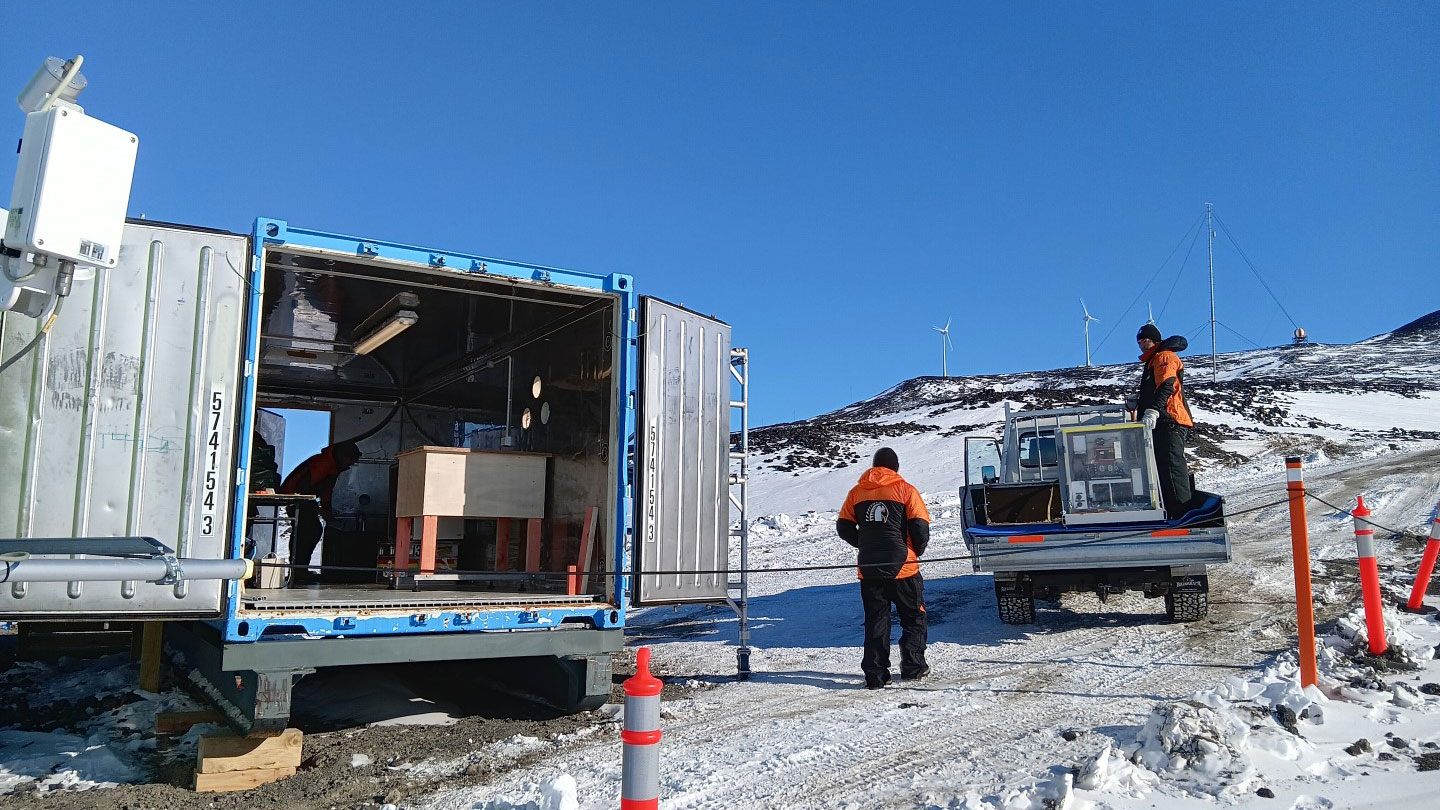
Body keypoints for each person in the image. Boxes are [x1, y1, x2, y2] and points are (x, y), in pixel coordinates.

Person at [836, 447, 932, 689]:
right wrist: (916, 551)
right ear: (895, 467)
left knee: (876, 621)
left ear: (874, 466)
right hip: (904, 568)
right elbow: (920, 527)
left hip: (869, 568)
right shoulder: (906, 490)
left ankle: (876, 675)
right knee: (913, 617)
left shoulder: (856, 492)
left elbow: (843, 527)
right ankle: (913, 667)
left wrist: (865, 544)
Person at [278, 440, 362, 586]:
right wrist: (317, 508)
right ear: (343, 456)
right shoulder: (324, 463)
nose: (350, 464)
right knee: (309, 531)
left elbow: (326, 490)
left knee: (311, 530)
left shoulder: (334, 467)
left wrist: (326, 508)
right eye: (350, 460)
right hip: (295, 496)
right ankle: (298, 570)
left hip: (303, 498)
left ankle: (300, 569)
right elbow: (304, 485)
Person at [1135, 323, 1194, 519]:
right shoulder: (1153, 360)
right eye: (1140, 342)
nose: (1143, 345)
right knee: (1164, 469)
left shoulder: (1164, 356)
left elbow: (1167, 385)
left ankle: (1183, 515)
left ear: (1156, 340)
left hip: (1170, 420)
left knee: (1172, 468)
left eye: (1146, 341)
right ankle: (1174, 512)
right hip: (1162, 422)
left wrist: (1153, 409)